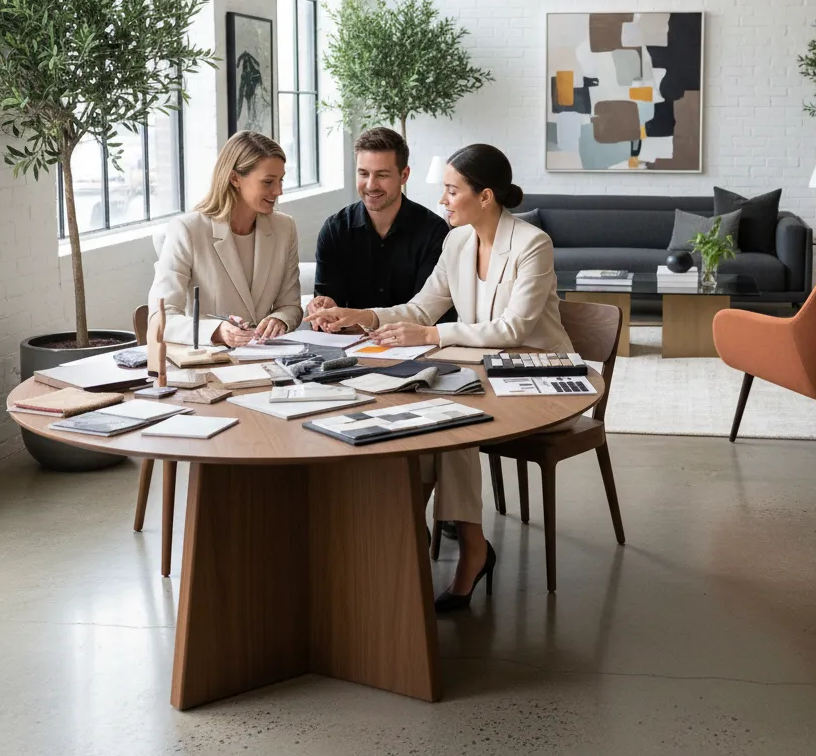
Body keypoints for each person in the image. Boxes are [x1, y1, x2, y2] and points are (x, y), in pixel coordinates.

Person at [310, 144, 572, 612]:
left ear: (486, 195)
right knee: (438, 428)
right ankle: (455, 543)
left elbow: (514, 329)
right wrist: (359, 315)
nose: (443, 200)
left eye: (452, 190)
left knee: (452, 428)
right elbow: (419, 308)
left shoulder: (533, 244)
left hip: (537, 377)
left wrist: (431, 332)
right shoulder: (457, 242)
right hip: (483, 376)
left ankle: (417, 535)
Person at [148, 131, 303, 346]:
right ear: (234, 178)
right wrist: (217, 332)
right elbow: (160, 317)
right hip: (210, 361)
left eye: (281, 180)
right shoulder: (187, 230)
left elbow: (290, 305)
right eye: (268, 182)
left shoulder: (284, 228)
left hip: (266, 357)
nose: (279, 191)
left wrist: (280, 319)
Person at [307, 127, 449, 318]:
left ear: (404, 175)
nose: (371, 185)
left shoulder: (434, 232)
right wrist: (325, 306)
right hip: (349, 340)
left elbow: (427, 311)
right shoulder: (335, 230)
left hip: (415, 343)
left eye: (382, 175)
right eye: (363, 174)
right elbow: (329, 303)